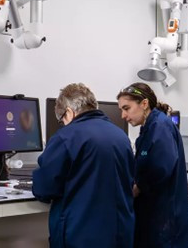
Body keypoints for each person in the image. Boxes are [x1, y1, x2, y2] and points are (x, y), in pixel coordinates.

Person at [33, 83, 135, 248]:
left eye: (62, 120)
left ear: (69, 112)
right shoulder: (121, 136)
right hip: (120, 234)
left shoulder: (66, 137)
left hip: (81, 236)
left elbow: (44, 188)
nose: (63, 124)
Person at [117, 82, 188, 248]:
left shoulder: (161, 126)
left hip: (164, 218)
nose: (123, 115)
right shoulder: (150, 128)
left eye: (126, 108)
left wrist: (137, 187)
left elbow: (161, 168)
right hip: (156, 215)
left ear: (144, 104)